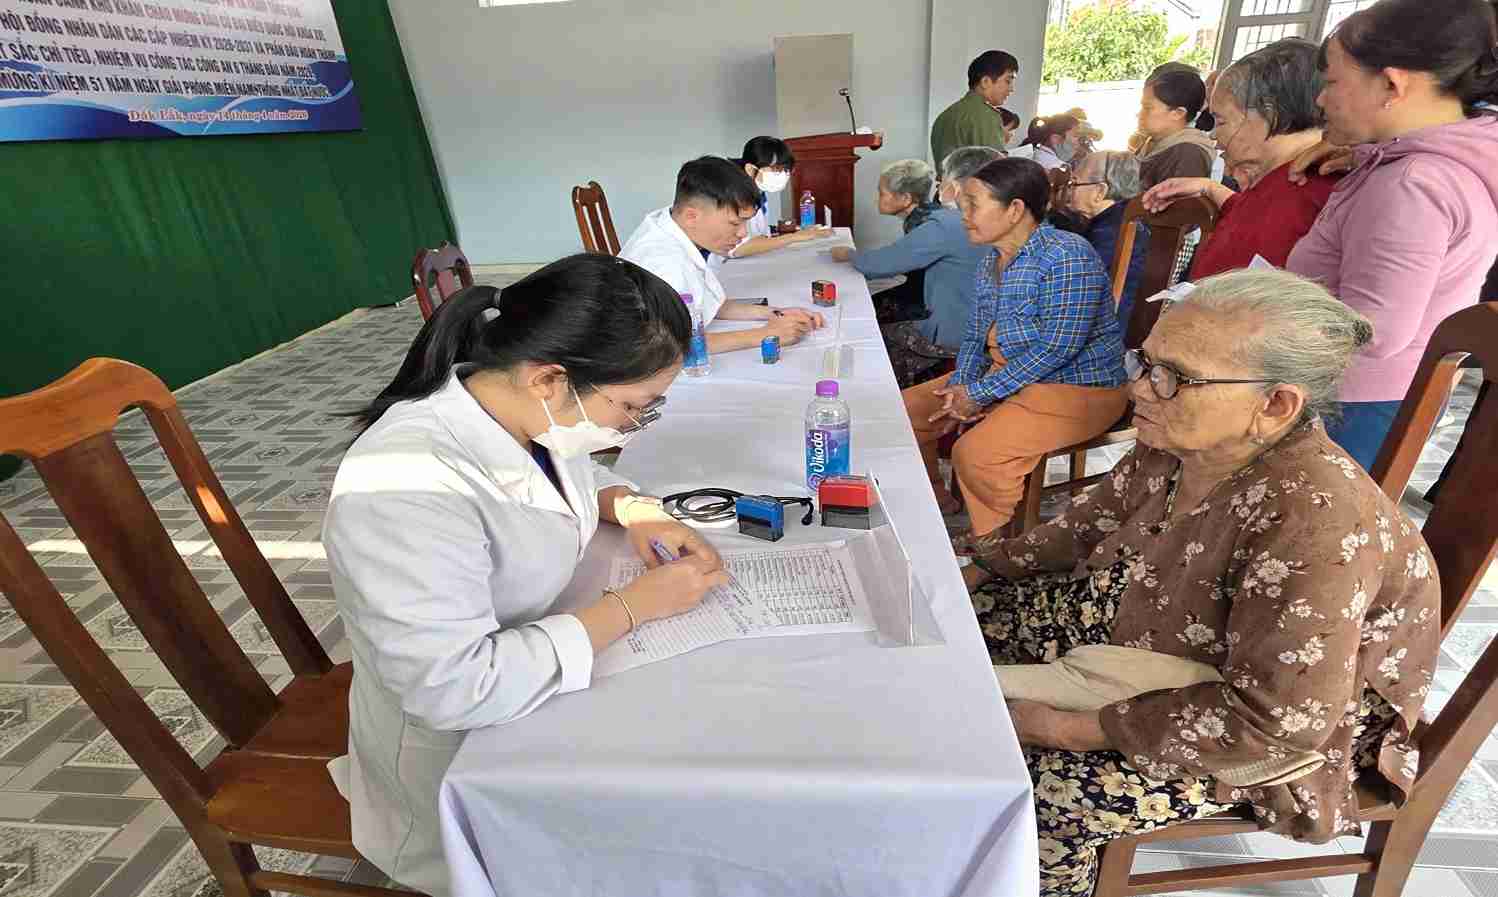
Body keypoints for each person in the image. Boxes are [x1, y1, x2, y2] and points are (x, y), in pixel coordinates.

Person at [964, 268, 1438, 897]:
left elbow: (1278, 726)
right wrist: (977, 568)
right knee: (952, 632)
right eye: (1145, 362)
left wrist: (1062, 726)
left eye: (1173, 378)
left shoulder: (1314, 517)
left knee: (1024, 791)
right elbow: (1079, 532)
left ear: (1275, 406)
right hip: (1153, 640)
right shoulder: (1178, 440)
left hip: (1261, 729)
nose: (1139, 389)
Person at [323, 255, 732, 894]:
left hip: (532, 684)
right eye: (633, 407)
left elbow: (561, 479)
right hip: (459, 759)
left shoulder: (518, 413)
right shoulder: (402, 483)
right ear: (549, 378)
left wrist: (635, 507)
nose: (631, 425)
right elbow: (453, 688)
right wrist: (634, 607)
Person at [1284, 0, 1498, 469]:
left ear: (1391, 84)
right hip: (1378, 396)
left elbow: (1375, 327)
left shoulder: (1412, 183)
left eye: (1332, 81)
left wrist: (1257, 316)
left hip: (1354, 405)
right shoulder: (1436, 165)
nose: (1320, 100)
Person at [903, 158, 1129, 540]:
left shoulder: (1067, 255)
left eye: (974, 203)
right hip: (1010, 375)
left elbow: (1058, 349)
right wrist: (960, 388)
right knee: (907, 412)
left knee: (975, 455)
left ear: (1015, 210)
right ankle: (940, 503)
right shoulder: (991, 261)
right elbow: (975, 338)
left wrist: (980, 393)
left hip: (1078, 387)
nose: (964, 214)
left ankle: (1000, 551)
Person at [1142, 39, 1340, 277]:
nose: (1215, 135)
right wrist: (1209, 189)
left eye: (1222, 121)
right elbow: (1258, 217)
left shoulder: (1318, 186)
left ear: (1270, 112)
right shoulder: (1280, 176)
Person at [620, 156, 825, 354]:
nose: (743, 233)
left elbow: (703, 302)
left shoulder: (675, 224)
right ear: (692, 216)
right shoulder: (661, 260)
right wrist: (767, 334)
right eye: (735, 223)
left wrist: (775, 313)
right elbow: (670, 347)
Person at [829, 149, 999, 386]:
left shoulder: (951, 224)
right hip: (993, 331)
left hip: (958, 334)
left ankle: (893, 402)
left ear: (956, 186)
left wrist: (847, 254)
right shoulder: (1004, 221)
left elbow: (880, 265)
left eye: (942, 180)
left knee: (869, 339)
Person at [1053, 150, 1151, 331]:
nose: (1069, 189)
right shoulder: (1118, 220)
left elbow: (1071, 293)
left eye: (1074, 183)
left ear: (1099, 192)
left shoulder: (1111, 233)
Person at [718, 136, 831, 260]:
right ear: (751, 169)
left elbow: (760, 233)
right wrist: (798, 236)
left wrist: (797, 230)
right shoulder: (733, 196)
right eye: (776, 169)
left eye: (786, 169)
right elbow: (738, 248)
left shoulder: (759, 192)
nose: (783, 174)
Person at [932, 50, 1020, 165]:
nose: (1011, 89)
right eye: (1008, 81)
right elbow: (998, 171)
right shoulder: (986, 116)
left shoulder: (947, 114)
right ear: (985, 82)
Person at [1135, 68, 1216, 188]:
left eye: (1147, 108)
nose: (1139, 114)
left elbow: (1175, 206)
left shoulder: (1188, 155)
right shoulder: (1154, 142)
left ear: (1178, 113)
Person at [1015, 114, 1083, 170]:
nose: (1079, 141)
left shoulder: (1038, 155)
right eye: (1075, 135)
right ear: (1055, 138)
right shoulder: (1056, 167)